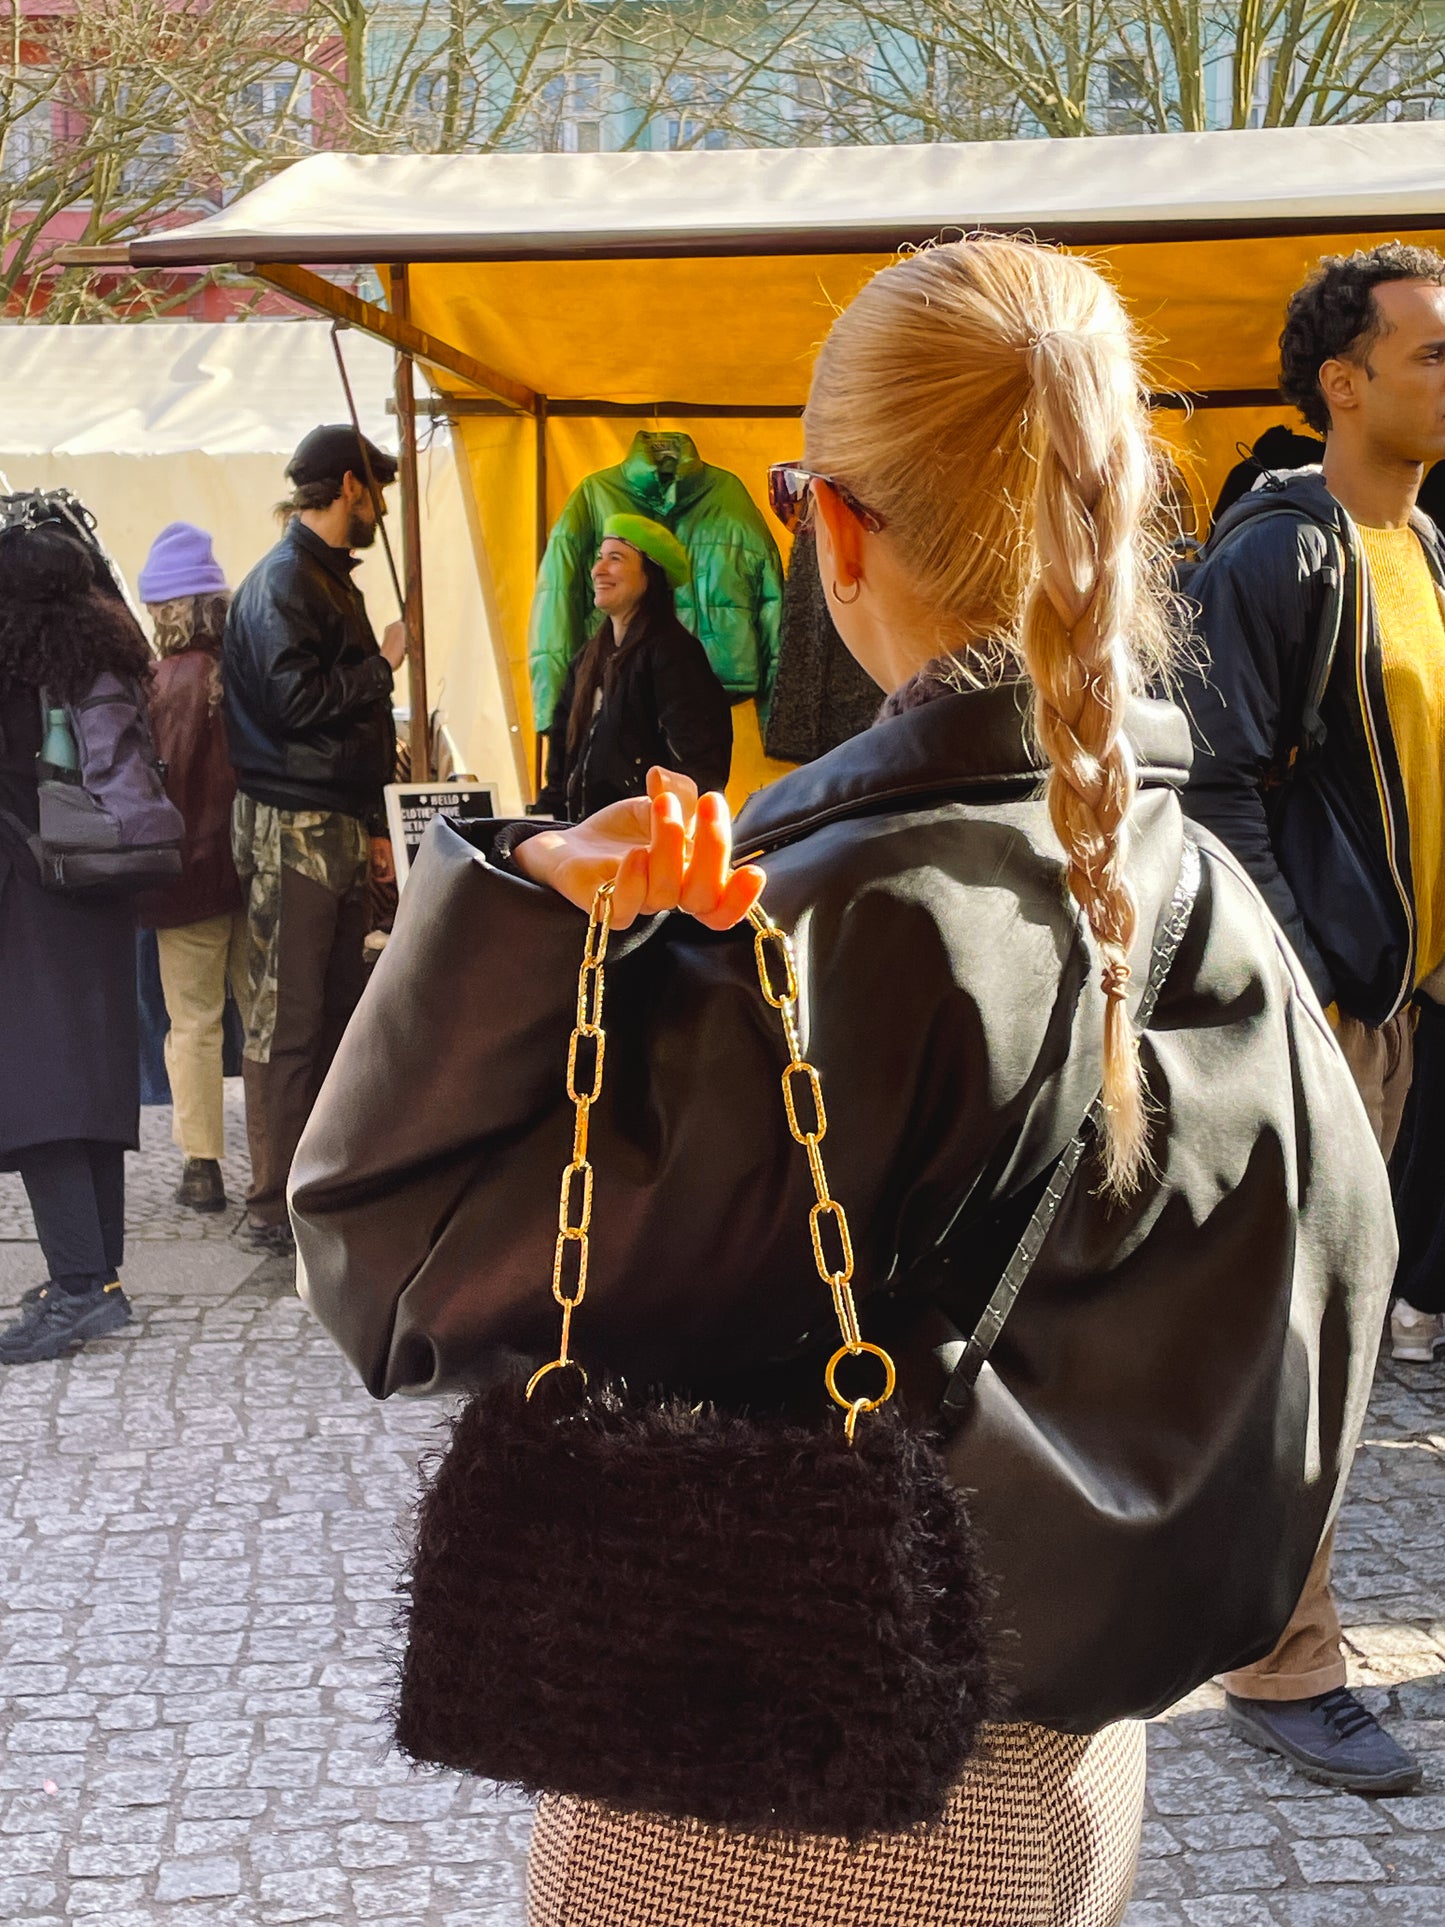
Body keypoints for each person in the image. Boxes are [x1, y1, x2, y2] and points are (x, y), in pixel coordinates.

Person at [293, 238, 1394, 1924]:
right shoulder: (1196, 880)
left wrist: (510, 898)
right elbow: (1331, 1296)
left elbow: (395, 1266)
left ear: (834, 525)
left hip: (767, 1794)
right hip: (1074, 1766)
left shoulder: (817, 921)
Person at [1181, 242, 1445, 1795]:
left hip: (1407, 1007)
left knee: (1337, 1335)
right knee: (1302, 1339)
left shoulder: (1429, 550)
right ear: (1339, 382)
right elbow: (1213, 791)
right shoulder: (1274, 556)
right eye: (1426, 352)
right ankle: (1282, 1659)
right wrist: (1304, 985)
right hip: (1330, 1010)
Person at [223, 425, 406, 1257]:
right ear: (346, 487)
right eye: (376, 490)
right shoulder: (284, 582)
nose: (380, 507)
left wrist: (372, 822)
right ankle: (273, 1202)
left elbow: (348, 722)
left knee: (331, 1011)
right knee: (286, 1019)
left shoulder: (323, 579)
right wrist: (384, 664)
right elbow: (298, 703)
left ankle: (313, 1189)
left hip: (329, 821)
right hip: (289, 827)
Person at [0, 524, 145, 1364]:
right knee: (88, 1083)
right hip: (101, 884)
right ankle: (100, 1276)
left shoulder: (13, 669)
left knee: (40, 1093)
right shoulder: (106, 658)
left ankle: (81, 1288)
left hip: (30, 891)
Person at [134, 523, 249, 1215]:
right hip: (251, 869)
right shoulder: (246, 672)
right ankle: (274, 1153)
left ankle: (202, 1166)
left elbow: (160, 786)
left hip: (185, 880)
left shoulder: (162, 682)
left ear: (169, 609)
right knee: (262, 1019)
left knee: (194, 1024)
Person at [534, 513, 731, 820]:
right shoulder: (586, 661)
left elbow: (700, 771)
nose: (598, 570)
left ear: (649, 574)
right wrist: (543, 826)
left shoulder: (675, 655)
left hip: (643, 845)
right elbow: (561, 767)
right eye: (599, 558)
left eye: (616, 558)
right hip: (583, 843)